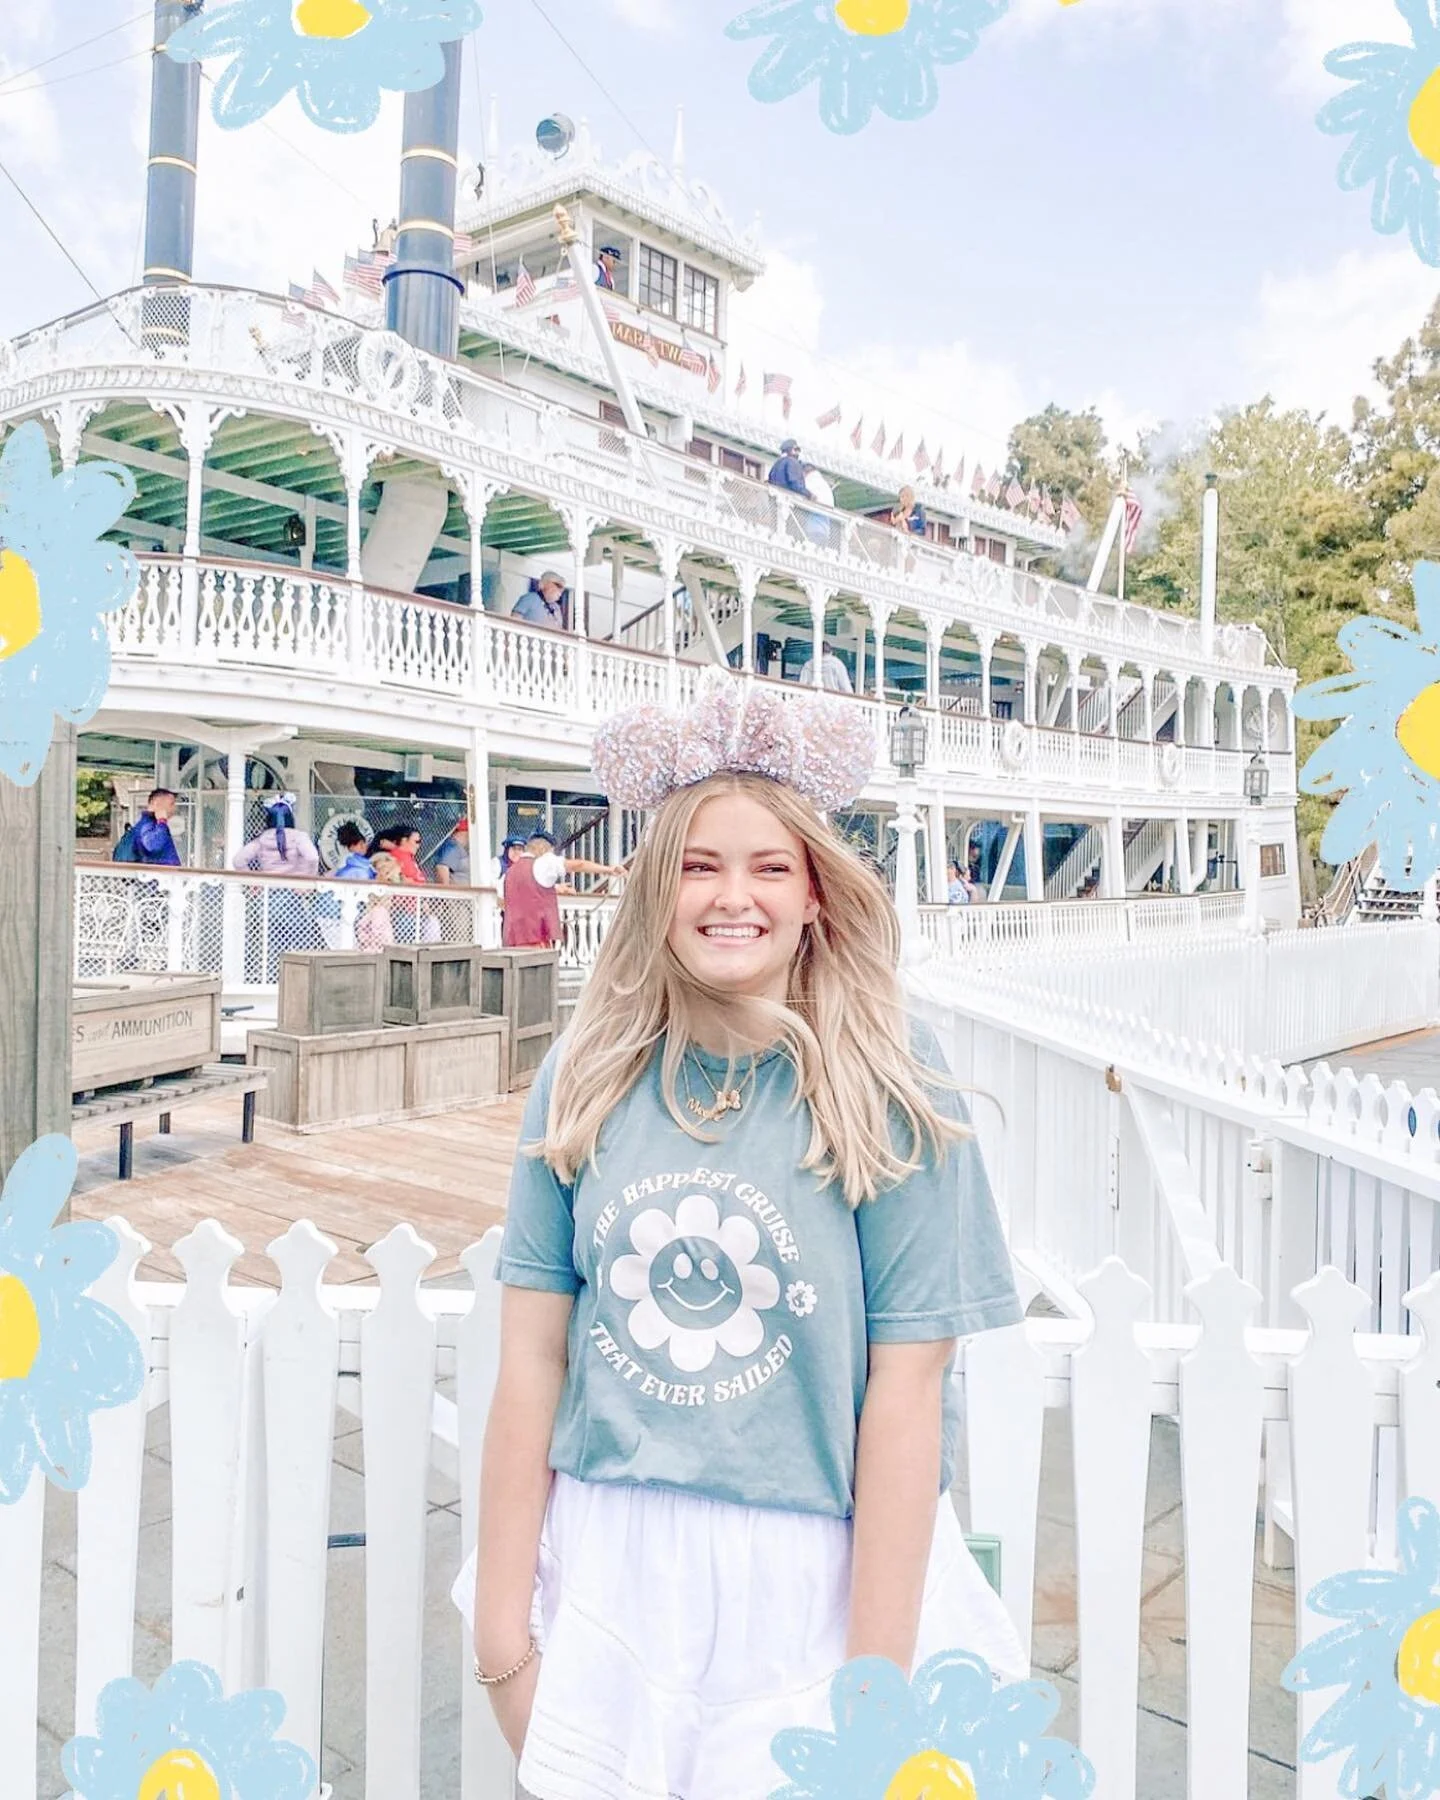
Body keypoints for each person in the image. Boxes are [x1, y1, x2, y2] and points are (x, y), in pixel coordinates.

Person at [454, 677, 1026, 1799]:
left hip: (810, 1580)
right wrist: (502, 1642)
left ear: (817, 893)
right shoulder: (589, 1072)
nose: (733, 897)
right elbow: (532, 1358)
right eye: (700, 866)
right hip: (617, 1563)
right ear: (658, 890)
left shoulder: (887, 1080)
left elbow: (906, 1394)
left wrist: (872, 1698)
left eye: (770, 867)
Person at [233, 795, 323, 977]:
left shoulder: (262, 839)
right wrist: (305, 879)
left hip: (267, 896)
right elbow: (313, 857)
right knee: (299, 942)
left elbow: (238, 860)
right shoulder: (298, 837)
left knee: (270, 944)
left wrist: (253, 881)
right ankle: (297, 979)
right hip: (291, 896)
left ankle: (272, 977)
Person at [501, 830, 626, 950]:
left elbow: (509, 898)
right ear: (543, 849)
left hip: (512, 942)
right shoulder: (544, 862)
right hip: (536, 941)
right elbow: (578, 865)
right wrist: (608, 870)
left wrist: (554, 889)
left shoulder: (509, 873)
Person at [119, 788, 182, 866]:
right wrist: (162, 822)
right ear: (155, 803)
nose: (174, 808)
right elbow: (152, 845)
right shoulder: (148, 825)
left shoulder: (151, 824)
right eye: (171, 804)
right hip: (158, 875)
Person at [357, 852, 404, 951]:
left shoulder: (391, 885)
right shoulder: (373, 885)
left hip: (382, 915)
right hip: (374, 915)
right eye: (378, 870)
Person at [434, 818, 471, 887]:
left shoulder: (459, 847)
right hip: (456, 895)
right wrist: (446, 893)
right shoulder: (452, 846)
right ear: (466, 832)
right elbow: (441, 868)